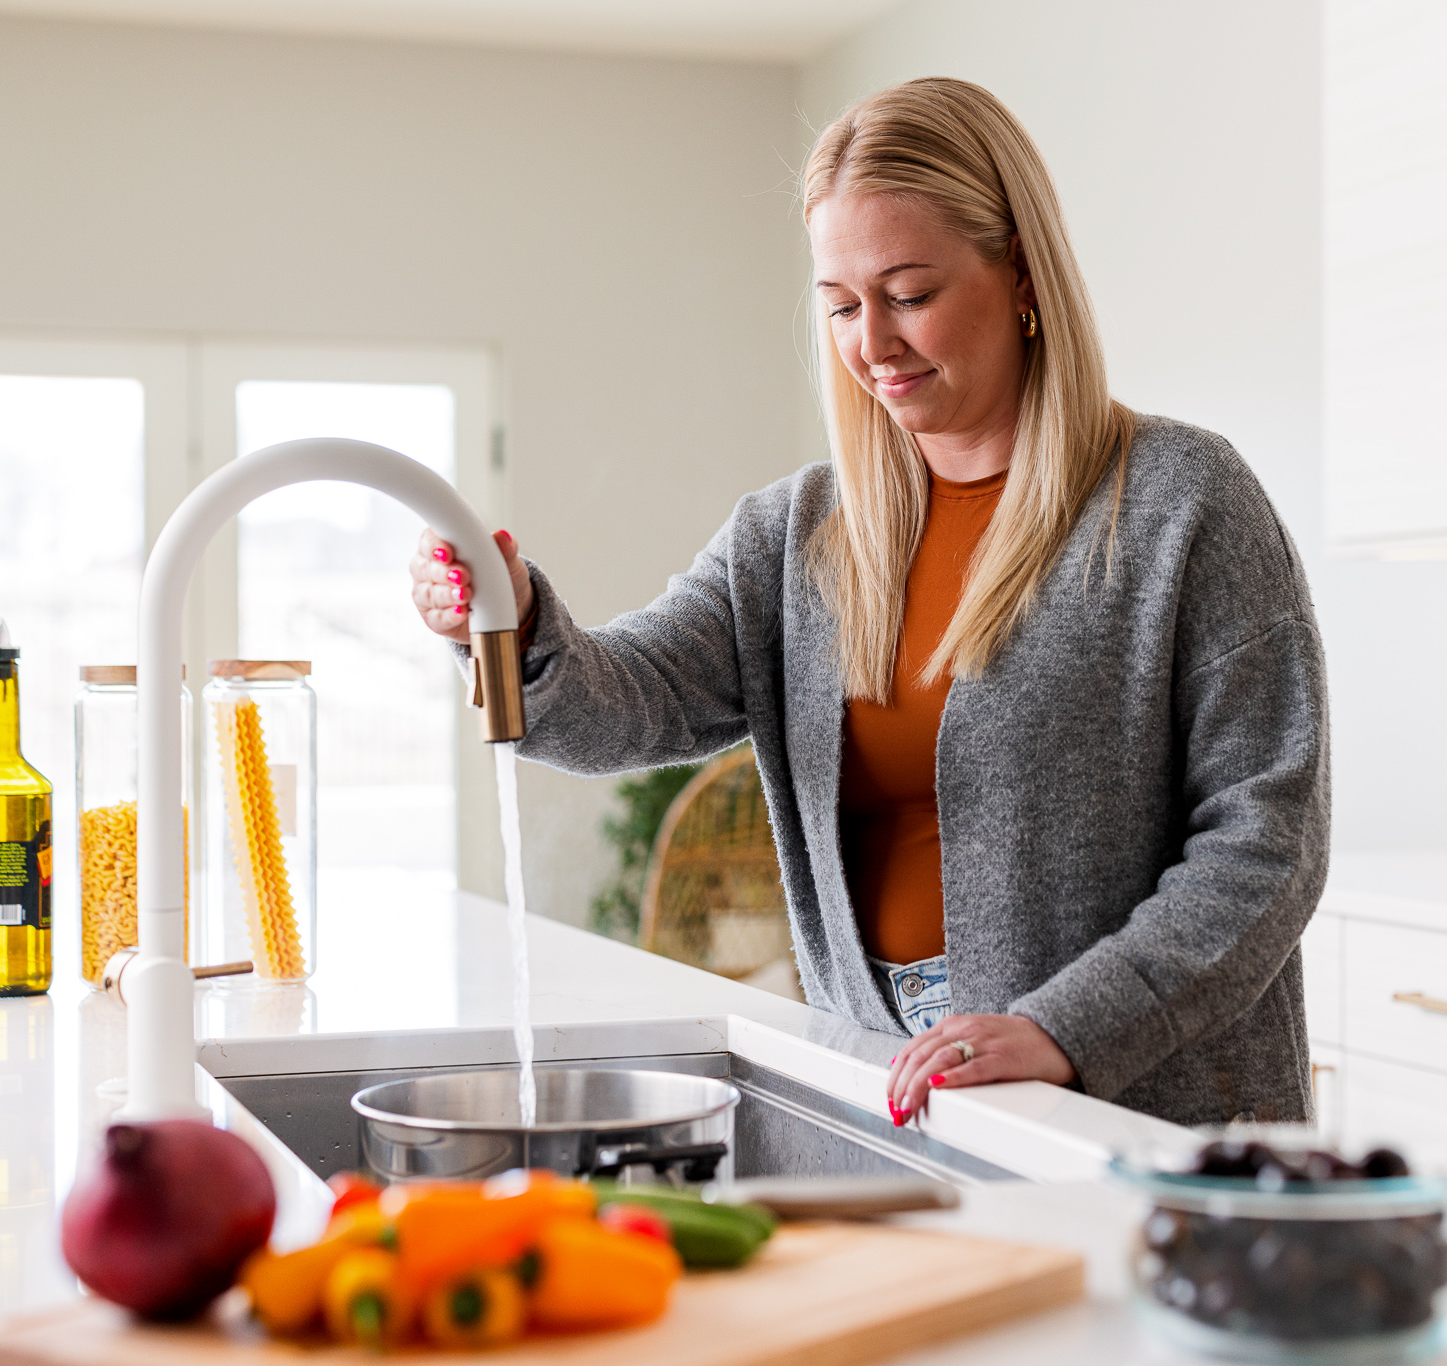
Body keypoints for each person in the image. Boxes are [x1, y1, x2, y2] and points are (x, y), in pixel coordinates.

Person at [409, 78, 1329, 1129]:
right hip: (878, 1076)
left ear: (1020, 274)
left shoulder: (1180, 503)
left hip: (1137, 1098)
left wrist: (1070, 1028)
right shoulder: (795, 534)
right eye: (841, 304)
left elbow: (1266, 842)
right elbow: (626, 702)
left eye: (908, 292)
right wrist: (515, 619)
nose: (872, 344)